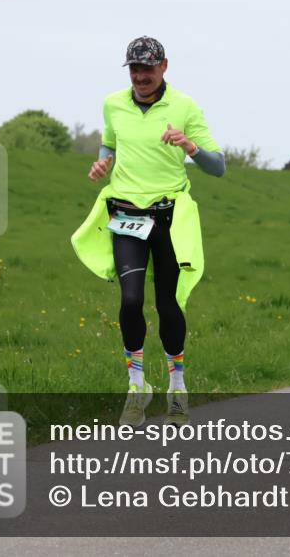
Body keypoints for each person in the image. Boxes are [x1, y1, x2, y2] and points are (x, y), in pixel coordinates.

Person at [72, 36, 225, 427]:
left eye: (148, 68)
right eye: (134, 69)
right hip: (125, 215)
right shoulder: (113, 104)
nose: (140, 76)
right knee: (129, 299)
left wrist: (190, 146)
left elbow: (217, 168)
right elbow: (109, 144)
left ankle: (177, 385)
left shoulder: (185, 106)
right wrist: (103, 163)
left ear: (164, 67)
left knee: (168, 304)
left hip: (168, 216)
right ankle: (137, 386)